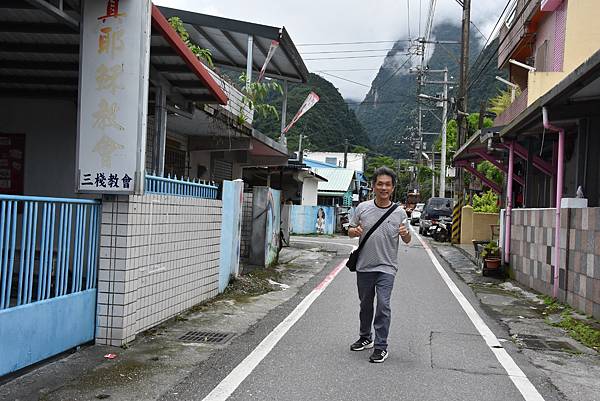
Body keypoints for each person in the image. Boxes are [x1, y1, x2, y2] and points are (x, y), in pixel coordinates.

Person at [347, 166, 411, 363]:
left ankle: (381, 346)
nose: (384, 188)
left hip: (387, 267)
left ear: (393, 188)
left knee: (383, 305)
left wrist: (405, 234)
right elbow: (349, 229)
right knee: (365, 304)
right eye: (380, 184)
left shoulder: (399, 213)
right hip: (364, 266)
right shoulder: (362, 208)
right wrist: (354, 231)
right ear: (373, 186)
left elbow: (408, 239)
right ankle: (365, 337)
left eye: (388, 185)